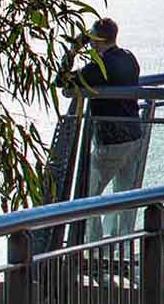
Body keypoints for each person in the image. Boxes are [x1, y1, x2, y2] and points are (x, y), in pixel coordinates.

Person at [60, 17, 142, 235]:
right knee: (126, 198)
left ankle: (93, 248)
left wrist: (73, 49)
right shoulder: (128, 57)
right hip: (134, 135)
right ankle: (120, 244)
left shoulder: (100, 66)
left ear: (95, 40)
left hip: (111, 141)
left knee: (89, 196)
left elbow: (62, 81)